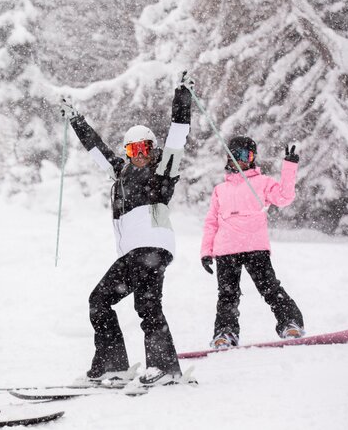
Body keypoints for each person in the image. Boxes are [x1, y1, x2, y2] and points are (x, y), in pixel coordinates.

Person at [61, 73, 193, 386]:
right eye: (134, 151)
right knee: (99, 300)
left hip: (153, 245)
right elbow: (96, 149)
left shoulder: (163, 171)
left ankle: (163, 368)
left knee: (147, 305)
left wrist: (183, 97)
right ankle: (112, 366)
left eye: (146, 148)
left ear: (154, 149)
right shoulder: (120, 173)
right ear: (128, 153)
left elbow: (177, 137)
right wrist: (76, 120)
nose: (140, 155)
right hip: (133, 251)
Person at [200, 136, 304, 349]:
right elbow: (211, 221)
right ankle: (225, 333)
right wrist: (206, 251)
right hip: (226, 249)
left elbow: (284, 197)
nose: (240, 161)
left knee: (270, 289)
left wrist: (289, 167)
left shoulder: (263, 182)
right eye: (235, 155)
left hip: (255, 246)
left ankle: (290, 323)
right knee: (227, 295)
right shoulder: (220, 189)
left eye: (245, 155)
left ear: (253, 158)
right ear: (228, 158)